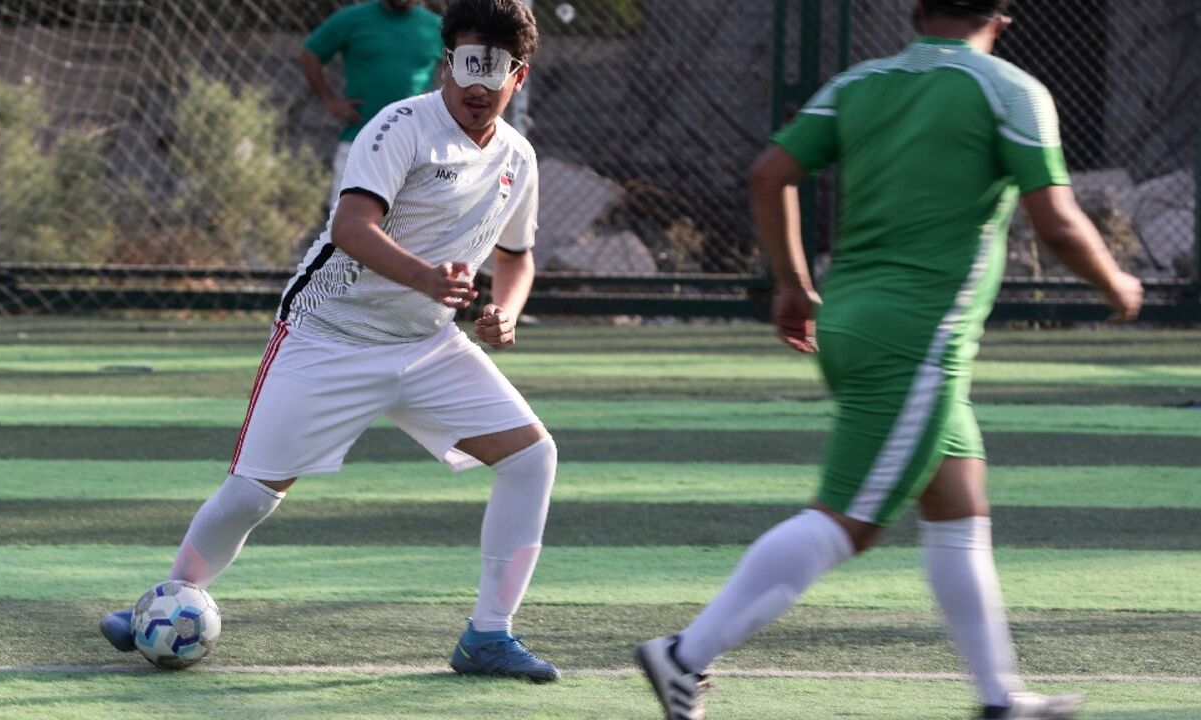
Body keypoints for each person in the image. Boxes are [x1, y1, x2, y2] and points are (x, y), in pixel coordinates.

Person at [635, 1, 1143, 718]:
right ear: (1003, 13)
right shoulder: (1009, 90)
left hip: (852, 322)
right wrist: (1116, 282)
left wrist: (790, 282)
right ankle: (685, 655)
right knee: (849, 520)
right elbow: (1056, 220)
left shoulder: (858, 83)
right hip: (918, 339)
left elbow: (768, 173)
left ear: (916, 9)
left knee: (958, 508)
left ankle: (1000, 697)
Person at [102, 0, 559, 682]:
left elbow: (517, 256)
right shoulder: (399, 125)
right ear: (445, 62)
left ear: (517, 79)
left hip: (428, 345)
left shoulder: (518, 158)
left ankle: (488, 635)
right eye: (467, 63)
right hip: (329, 334)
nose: (477, 85)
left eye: (494, 71)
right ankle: (167, 600)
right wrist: (427, 279)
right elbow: (351, 227)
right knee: (253, 495)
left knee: (531, 457)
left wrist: (506, 309)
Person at [300, 0, 445, 212]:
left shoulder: (437, 28)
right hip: (358, 141)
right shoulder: (352, 19)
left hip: (415, 149)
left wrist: (437, 105)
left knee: (408, 232)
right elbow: (310, 54)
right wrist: (329, 100)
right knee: (343, 229)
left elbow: (452, 72)